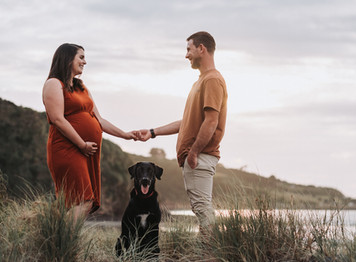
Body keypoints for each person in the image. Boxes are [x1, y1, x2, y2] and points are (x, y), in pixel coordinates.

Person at [137, 31, 228, 235]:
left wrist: (194, 153)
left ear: (201, 49)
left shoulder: (212, 80)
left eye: (189, 49)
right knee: (201, 208)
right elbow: (187, 122)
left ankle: (210, 255)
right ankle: (209, 253)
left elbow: (211, 121)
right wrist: (152, 132)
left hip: (200, 157)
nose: (186, 55)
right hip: (195, 157)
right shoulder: (200, 82)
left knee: (202, 209)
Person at [42, 43, 137, 219]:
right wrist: (81, 144)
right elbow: (57, 119)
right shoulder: (54, 84)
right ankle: (61, 242)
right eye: (81, 57)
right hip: (68, 148)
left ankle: (61, 240)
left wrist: (125, 135)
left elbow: (99, 120)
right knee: (83, 200)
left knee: (85, 201)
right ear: (68, 58)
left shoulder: (81, 87)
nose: (85, 62)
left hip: (87, 151)